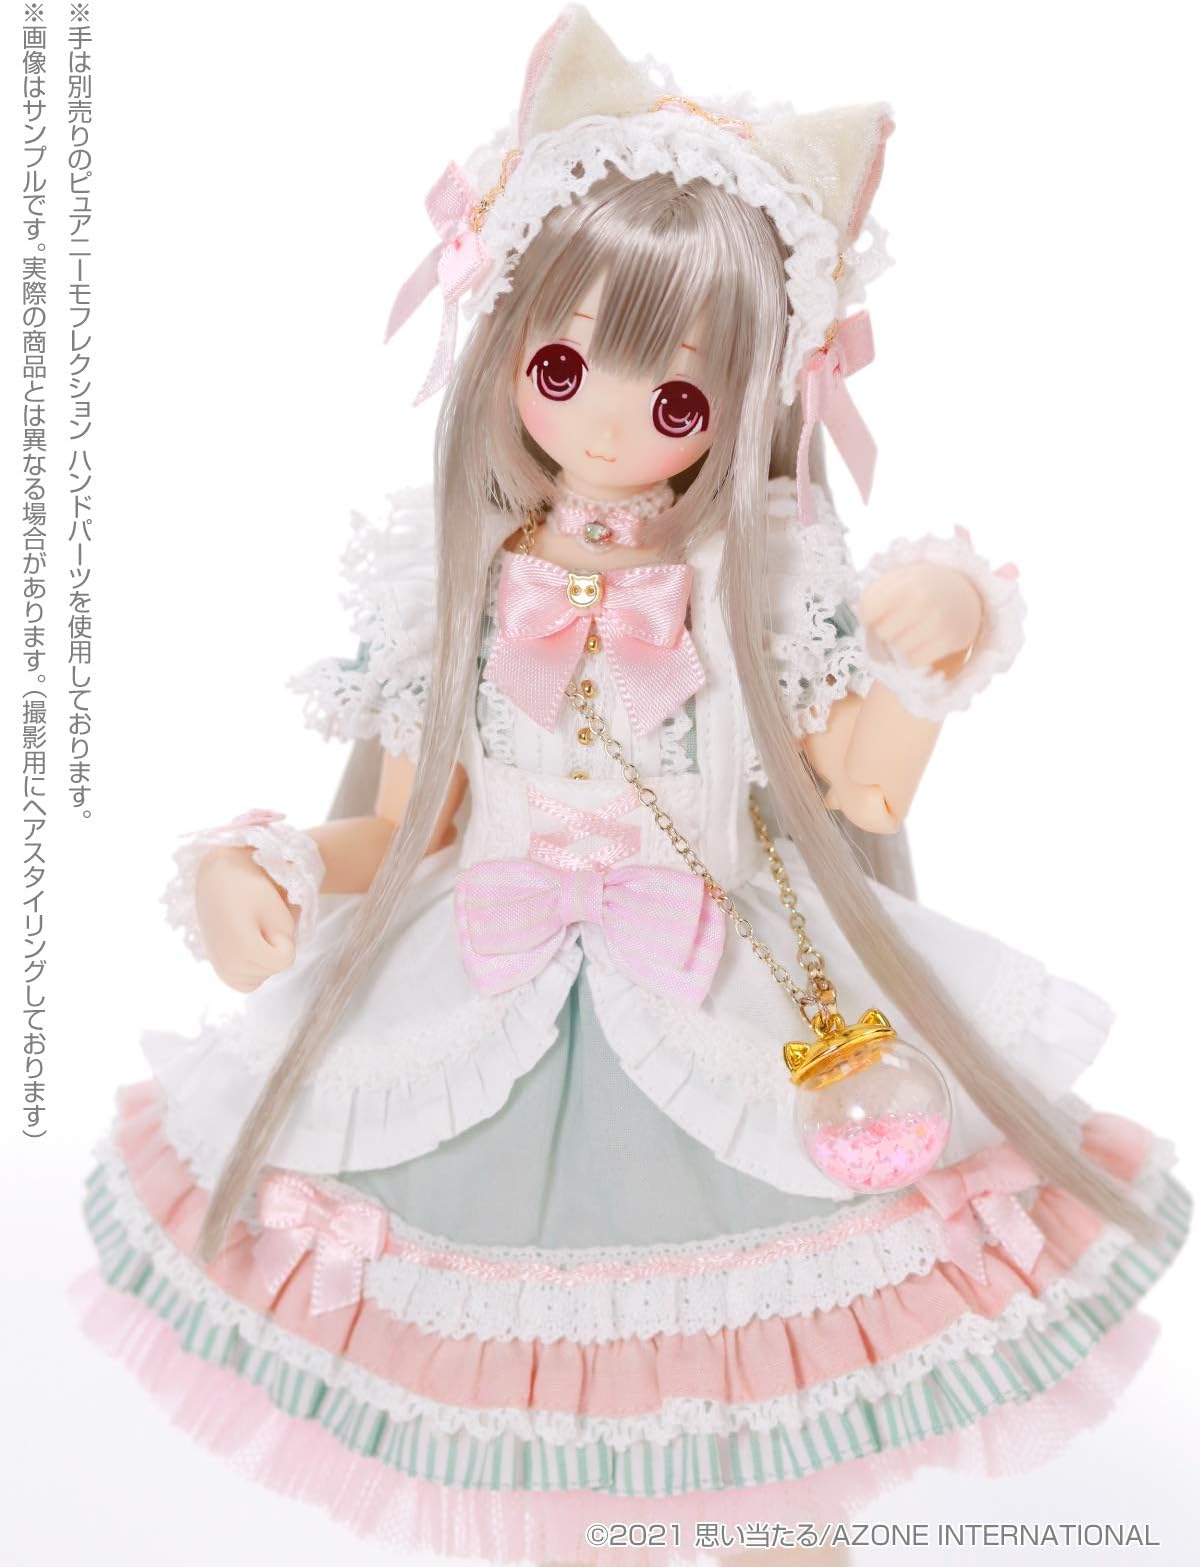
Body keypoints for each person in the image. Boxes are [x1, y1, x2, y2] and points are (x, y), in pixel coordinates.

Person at [71, 8, 1191, 1565]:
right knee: (540, 1434)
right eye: (563, 361)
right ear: (501, 337)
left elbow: (860, 795)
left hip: (733, 992)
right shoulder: (449, 576)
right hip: (477, 991)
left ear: (759, 396)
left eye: (676, 400)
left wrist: (933, 643)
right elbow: (404, 821)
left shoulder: (763, 574)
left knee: (765, 1434)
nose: (608, 418)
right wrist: (271, 869)